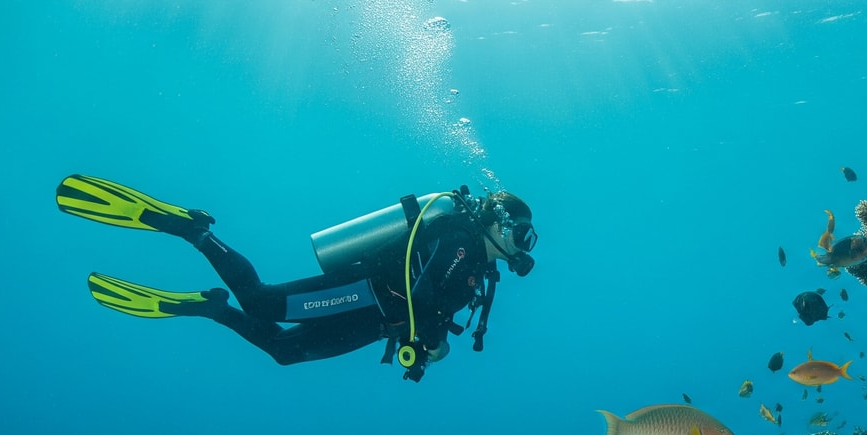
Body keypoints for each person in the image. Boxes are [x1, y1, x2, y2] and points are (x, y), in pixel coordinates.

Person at [55, 174, 535, 381]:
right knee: (263, 303)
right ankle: (193, 231)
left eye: (527, 238)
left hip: (378, 322)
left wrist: (427, 344)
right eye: (519, 232)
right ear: (495, 220)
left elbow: (428, 304)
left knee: (285, 353)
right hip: (362, 292)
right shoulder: (461, 241)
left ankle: (214, 308)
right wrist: (433, 342)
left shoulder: (480, 267)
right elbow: (422, 290)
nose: (521, 244)